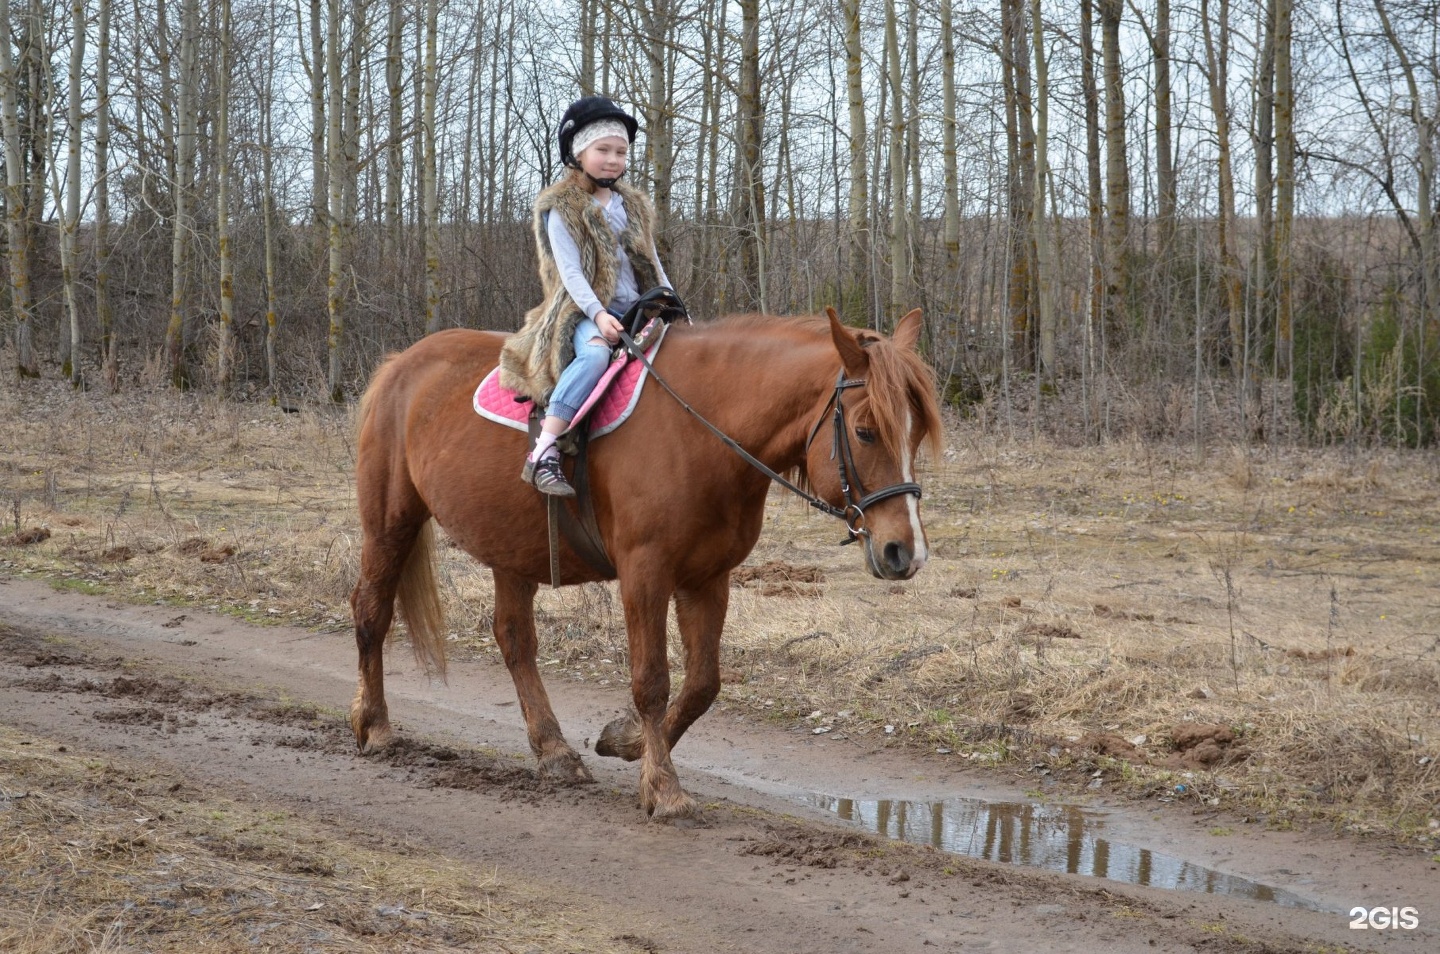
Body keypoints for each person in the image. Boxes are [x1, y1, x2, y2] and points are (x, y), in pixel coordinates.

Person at [498, 96, 676, 497]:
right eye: (603, 150)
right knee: (595, 356)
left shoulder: (631, 206)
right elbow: (571, 275)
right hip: (579, 311)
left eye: (621, 152)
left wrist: (670, 300)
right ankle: (544, 450)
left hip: (637, 309)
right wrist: (597, 316)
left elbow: (651, 259)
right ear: (579, 152)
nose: (613, 159)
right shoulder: (562, 208)